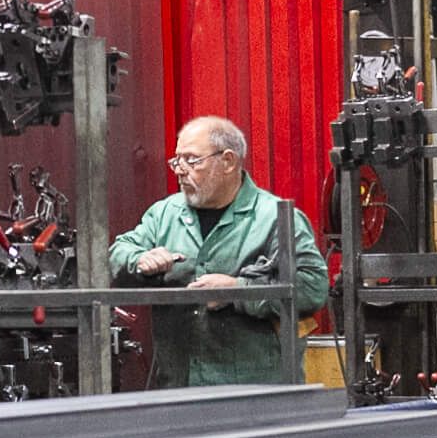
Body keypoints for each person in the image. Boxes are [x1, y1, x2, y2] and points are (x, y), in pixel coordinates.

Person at [109, 114, 328, 386]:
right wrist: (139, 259)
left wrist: (238, 290)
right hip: (179, 390)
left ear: (228, 161)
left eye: (192, 160)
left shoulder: (274, 218)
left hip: (255, 394)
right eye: (177, 160)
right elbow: (117, 254)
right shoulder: (164, 214)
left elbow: (313, 288)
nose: (179, 169)